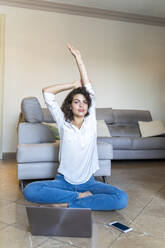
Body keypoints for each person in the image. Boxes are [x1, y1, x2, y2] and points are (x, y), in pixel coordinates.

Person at [24, 44, 128, 210]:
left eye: (85, 102)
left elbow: (89, 88)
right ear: (70, 106)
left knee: (121, 198)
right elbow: (47, 93)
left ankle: (66, 203)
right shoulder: (63, 121)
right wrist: (72, 86)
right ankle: (79, 199)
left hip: (89, 183)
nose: (81, 105)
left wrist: (79, 59)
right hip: (63, 181)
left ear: (89, 106)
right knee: (30, 190)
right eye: (76, 101)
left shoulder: (91, 121)